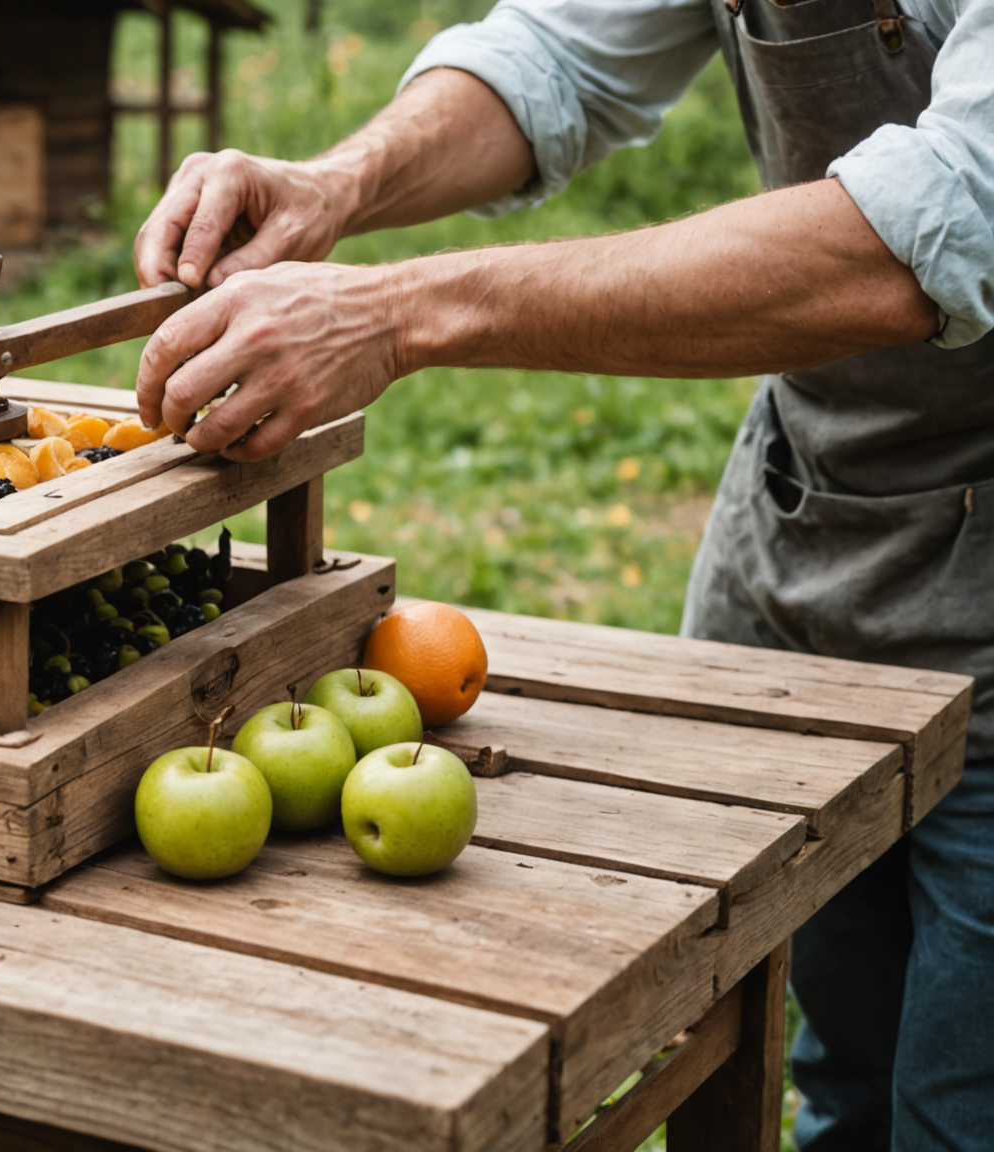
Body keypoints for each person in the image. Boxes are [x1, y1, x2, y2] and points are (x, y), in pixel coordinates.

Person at [129, 0, 994, 1146]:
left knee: (958, 1108)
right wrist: (335, 184)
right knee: (843, 1069)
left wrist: (399, 314)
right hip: (814, 514)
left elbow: (931, 233)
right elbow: (558, 55)